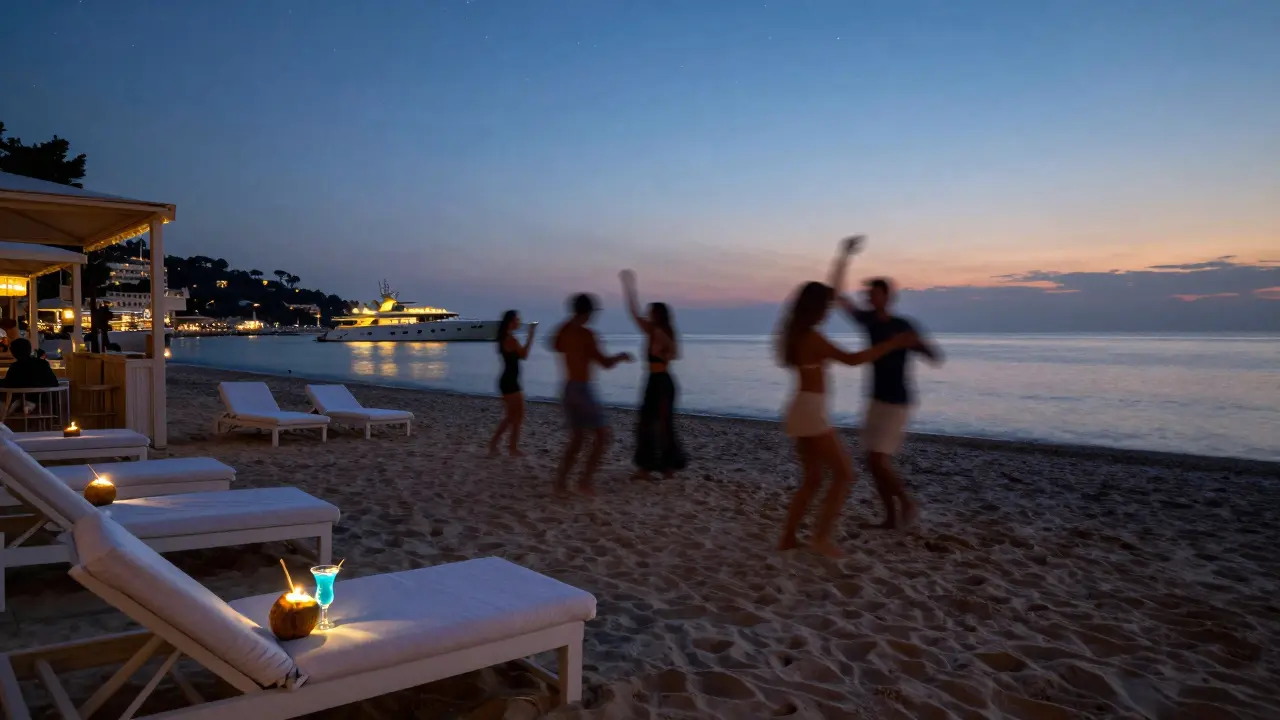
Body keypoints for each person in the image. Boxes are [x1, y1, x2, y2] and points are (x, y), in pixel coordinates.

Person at [776, 237, 918, 558]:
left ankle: (788, 537)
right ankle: (821, 539)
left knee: (812, 479)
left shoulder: (795, 335)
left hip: (799, 408)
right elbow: (853, 360)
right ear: (815, 308)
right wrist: (891, 345)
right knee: (844, 475)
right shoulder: (812, 337)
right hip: (811, 412)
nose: (829, 311)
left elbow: (834, 294)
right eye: (825, 307)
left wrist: (841, 258)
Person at [833, 245, 943, 530]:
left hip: (897, 401)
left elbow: (935, 357)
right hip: (875, 399)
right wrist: (843, 258)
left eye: (874, 293)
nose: (869, 297)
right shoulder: (869, 322)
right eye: (867, 294)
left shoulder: (903, 324)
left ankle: (907, 502)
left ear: (887, 297)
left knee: (879, 460)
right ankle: (890, 517)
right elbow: (837, 297)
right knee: (872, 462)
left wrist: (915, 343)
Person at [551, 293, 633, 496]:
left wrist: (572, 320)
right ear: (587, 312)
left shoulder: (564, 331)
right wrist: (621, 357)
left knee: (578, 439)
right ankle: (584, 481)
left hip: (568, 388)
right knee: (603, 436)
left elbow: (555, 345)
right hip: (582, 389)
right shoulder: (587, 335)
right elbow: (605, 363)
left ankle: (561, 482)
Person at [620, 269, 687, 480]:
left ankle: (667, 467)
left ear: (659, 314)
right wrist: (629, 288)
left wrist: (663, 352)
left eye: (652, 312)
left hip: (663, 382)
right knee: (646, 423)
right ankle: (646, 467)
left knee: (663, 424)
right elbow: (633, 312)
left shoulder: (662, 332)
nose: (648, 314)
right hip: (652, 380)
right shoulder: (651, 330)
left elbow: (676, 353)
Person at [488, 310, 536, 457]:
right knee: (516, 416)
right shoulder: (511, 339)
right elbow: (524, 355)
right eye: (516, 320)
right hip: (510, 381)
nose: (519, 322)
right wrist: (531, 336)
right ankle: (509, 448)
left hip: (508, 380)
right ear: (510, 322)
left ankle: (501, 446)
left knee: (512, 416)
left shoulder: (504, 338)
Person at [2, 337, 60, 416]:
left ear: (14, 353)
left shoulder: (15, 367)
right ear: (29, 350)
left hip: (24, 399)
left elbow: (8, 384)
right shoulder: (42, 364)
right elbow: (54, 382)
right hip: (44, 400)